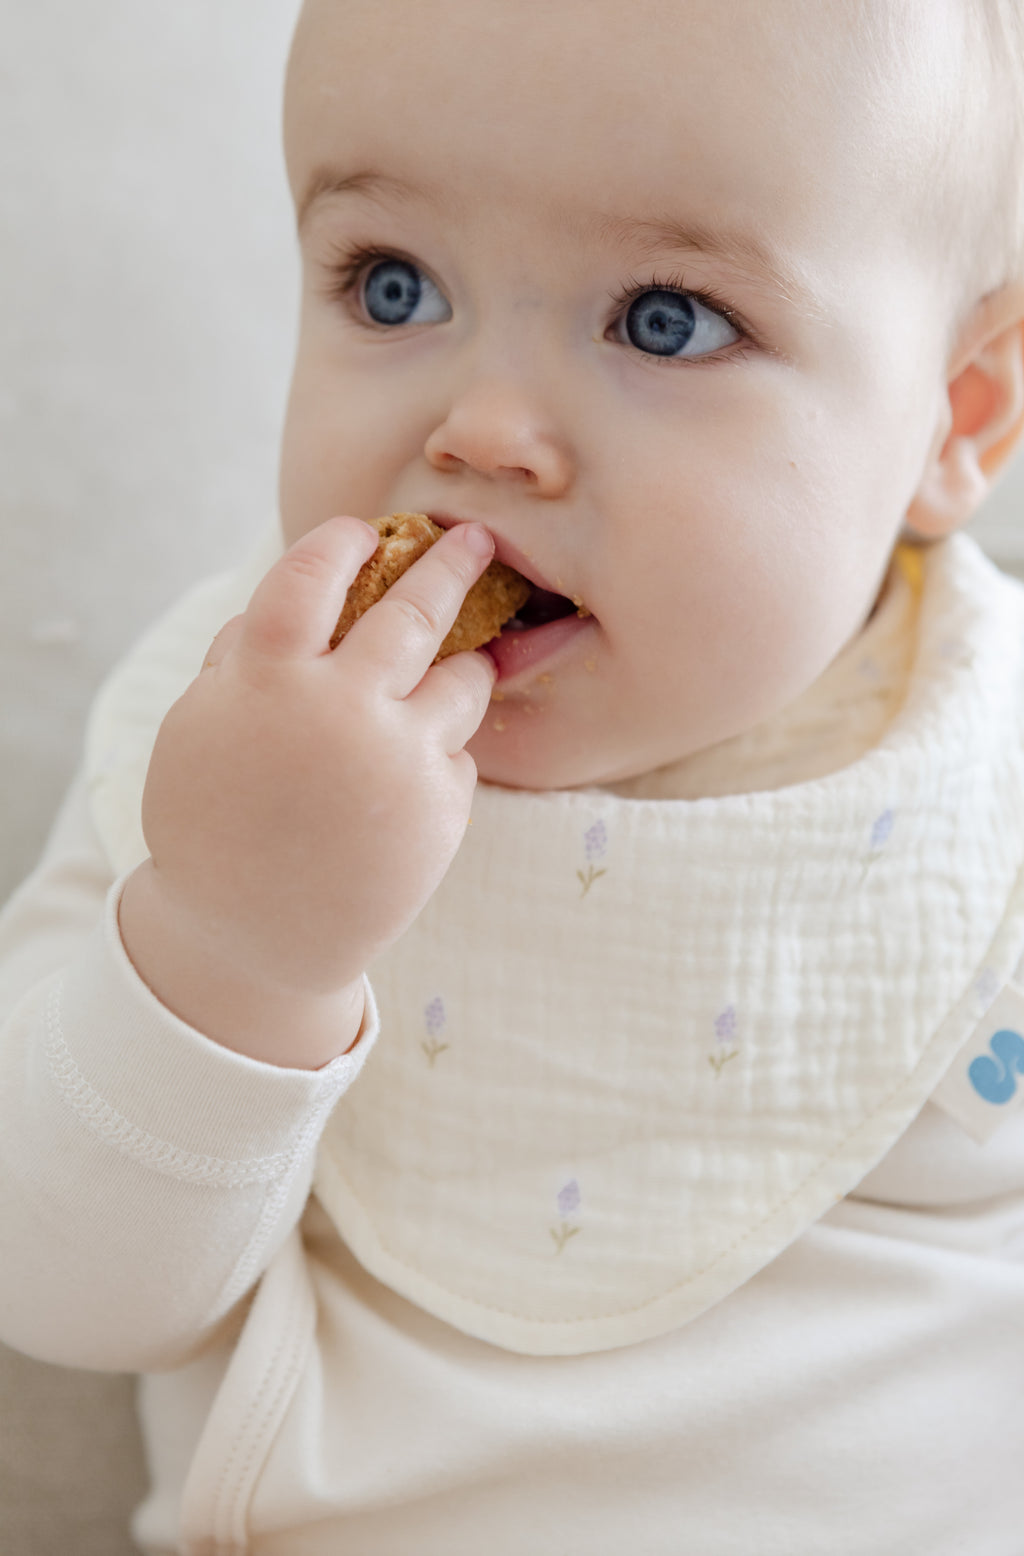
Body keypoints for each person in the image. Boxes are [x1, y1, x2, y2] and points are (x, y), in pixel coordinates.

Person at [3, 0, 1024, 1549]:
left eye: (665, 319)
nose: (481, 431)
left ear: (958, 419)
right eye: (392, 286)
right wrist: (232, 947)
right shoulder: (232, 733)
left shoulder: (989, 764)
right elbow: (57, 1285)